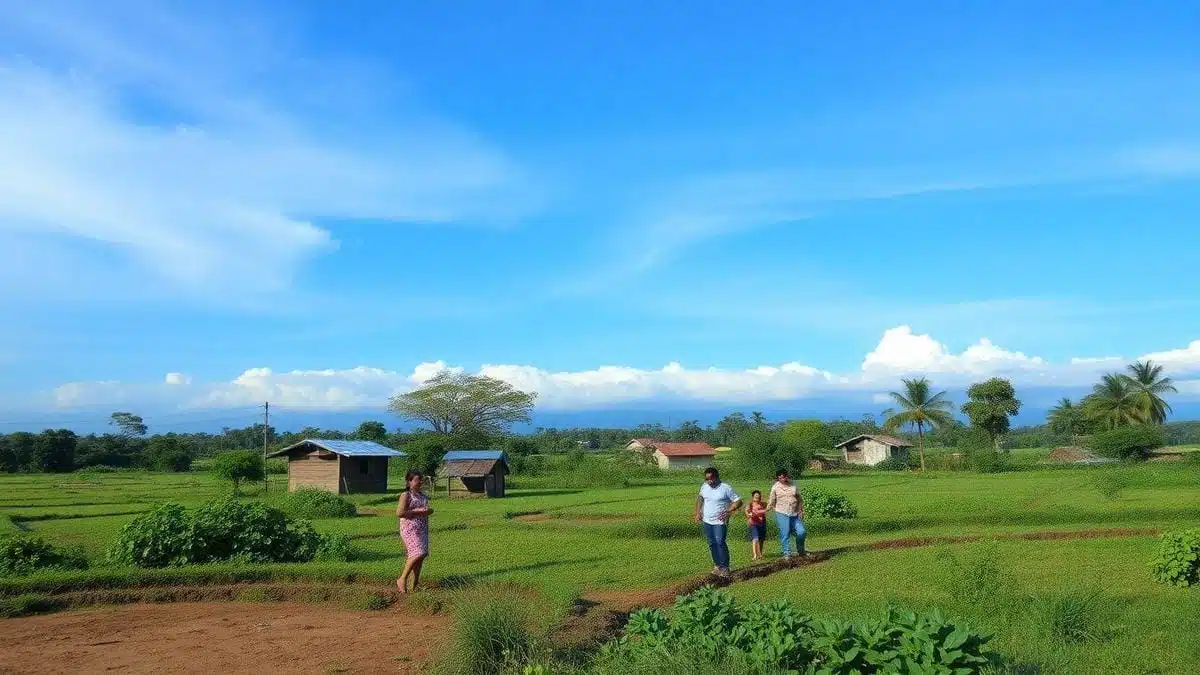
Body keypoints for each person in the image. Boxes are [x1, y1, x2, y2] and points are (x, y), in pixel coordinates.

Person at [693, 467, 742, 576]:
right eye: (707, 479)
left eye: (711, 478)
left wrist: (729, 510)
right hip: (707, 520)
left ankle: (725, 567)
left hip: (720, 521)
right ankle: (717, 565)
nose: (709, 481)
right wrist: (698, 513)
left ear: (717, 476)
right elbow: (700, 498)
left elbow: (738, 501)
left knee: (720, 542)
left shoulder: (726, 488)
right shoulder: (704, 487)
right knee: (712, 543)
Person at [396, 469, 433, 593]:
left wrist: (428, 511)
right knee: (418, 552)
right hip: (409, 529)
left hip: (421, 528)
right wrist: (418, 511)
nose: (419, 482)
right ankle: (402, 579)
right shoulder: (406, 495)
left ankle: (414, 584)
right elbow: (400, 513)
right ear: (409, 481)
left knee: (421, 557)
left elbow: (425, 511)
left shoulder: (422, 496)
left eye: (420, 480)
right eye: (417, 480)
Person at [766, 468, 807, 558]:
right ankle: (787, 553)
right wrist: (766, 509)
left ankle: (801, 550)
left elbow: (799, 499)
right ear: (777, 478)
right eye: (780, 478)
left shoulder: (793, 486)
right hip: (781, 512)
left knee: (802, 531)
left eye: (783, 477)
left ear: (786, 476)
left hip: (794, 513)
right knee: (785, 533)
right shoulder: (775, 487)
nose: (782, 479)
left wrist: (801, 510)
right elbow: (772, 500)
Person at [746, 489, 768, 561]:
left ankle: (760, 554)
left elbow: (769, 506)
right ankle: (755, 555)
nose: (757, 498)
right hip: (753, 523)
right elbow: (747, 511)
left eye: (758, 496)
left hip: (762, 523)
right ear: (753, 497)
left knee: (761, 539)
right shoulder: (750, 504)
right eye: (755, 496)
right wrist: (749, 515)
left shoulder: (763, 504)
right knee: (755, 538)